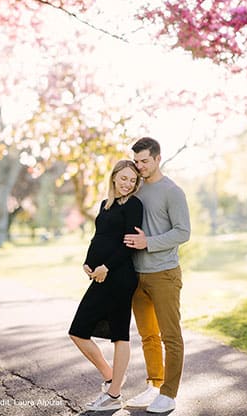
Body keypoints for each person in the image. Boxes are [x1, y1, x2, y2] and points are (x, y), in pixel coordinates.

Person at [69, 159, 143, 411]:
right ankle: (113, 381)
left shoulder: (134, 204)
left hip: (120, 277)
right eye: (124, 178)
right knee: (78, 332)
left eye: (132, 180)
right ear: (113, 177)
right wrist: (88, 263)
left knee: (115, 334)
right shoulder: (105, 204)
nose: (128, 184)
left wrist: (107, 267)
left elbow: (128, 243)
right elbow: (99, 236)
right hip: (102, 276)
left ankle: (113, 391)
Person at [123, 137, 191, 413]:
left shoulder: (172, 191)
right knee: (148, 335)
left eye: (145, 161)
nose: (140, 167)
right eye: (137, 162)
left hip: (164, 274)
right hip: (137, 276)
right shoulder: (135, 190)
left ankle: (169, 394)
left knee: (170, 336)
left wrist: (148, 242)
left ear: (158, 158)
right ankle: (154, 385)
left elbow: (183, 232)